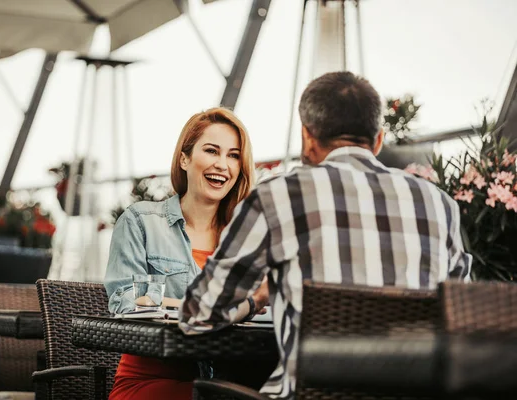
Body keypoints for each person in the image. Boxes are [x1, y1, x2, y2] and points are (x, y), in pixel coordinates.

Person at [179, 71, 472, 399]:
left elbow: (198, 314)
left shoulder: (279, 197)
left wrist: (255, 299)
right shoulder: (438, 204)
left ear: (307, 138)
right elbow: (460, 318)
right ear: (378, 139)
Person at [104, 107, 257, 400]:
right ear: (185, 158)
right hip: (152, 383)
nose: (223, 164)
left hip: (224, 381)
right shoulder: (141, 221)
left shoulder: (244, 239)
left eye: (234, 155)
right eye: (212, 151)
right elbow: (124, 302)